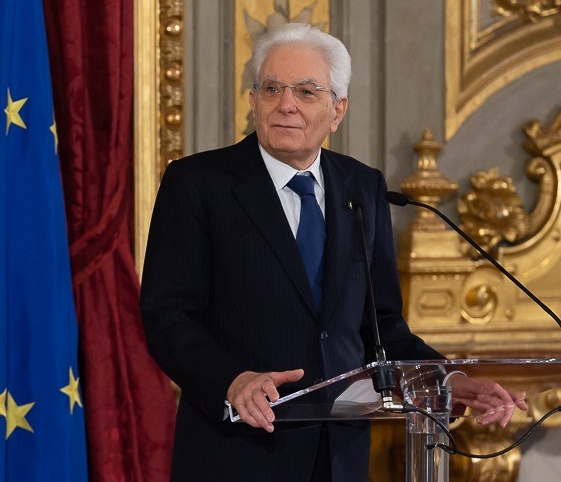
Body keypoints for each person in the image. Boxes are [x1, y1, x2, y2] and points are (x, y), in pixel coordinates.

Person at [140, 24, 526, 481]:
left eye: (306, 91)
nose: (286, 104)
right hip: (238, 451)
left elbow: (381, 327)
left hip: (339, 456)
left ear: (337, 109)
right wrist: (231, 380)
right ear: (253, 101)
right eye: (272, 89)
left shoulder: (363, 186)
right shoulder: (199, 184)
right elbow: (169, 316)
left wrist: (451, 381)